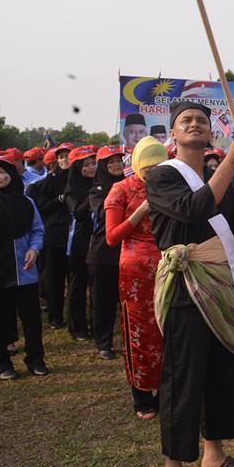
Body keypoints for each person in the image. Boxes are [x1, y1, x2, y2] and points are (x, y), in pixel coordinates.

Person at [146, 101, 234, 467]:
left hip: (220, 284)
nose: (195, 124)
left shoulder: (216, 176)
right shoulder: (162, 176)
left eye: (201, 120)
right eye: (186, 120)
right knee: (183, 377)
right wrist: (231, 162)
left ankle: (215, 454)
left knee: (220, 373)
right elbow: (193, 210)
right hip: (186, 287)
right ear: (173, 133)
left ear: (211, 133)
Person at [105, 136, 166, 419]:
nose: (153, 173)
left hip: (167, 268)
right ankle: (142, 397)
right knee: (139, 332)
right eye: (148, 168)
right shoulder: (121, 190)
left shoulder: (169, 186)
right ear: (138, 164)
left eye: (159, 167)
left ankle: (166, 392)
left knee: (167, 331)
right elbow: (111, 237)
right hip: (136, 273)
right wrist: (140, 212)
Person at [0, 152, 48, 380]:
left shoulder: (26, 202)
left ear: (11, 174)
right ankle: (1, 363)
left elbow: (37, 230)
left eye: (1, 172)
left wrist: (34, 249)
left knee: (31, 317)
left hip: (23, 269)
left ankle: (36, 359)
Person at [86, 146, 125, 360]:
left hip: (127, 252)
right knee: (103, 302)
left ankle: (130, 339)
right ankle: (104, 342)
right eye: (110, 162)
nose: (116, 165)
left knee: (127, 301)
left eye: (118, 160)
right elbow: (102, 214)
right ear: (102, 166)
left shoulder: (131, 183)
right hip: (102, 254)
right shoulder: (96, 191)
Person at [30, 143, 73, 328]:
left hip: (78, 237)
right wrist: (60, 199)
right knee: (55, 278)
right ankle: (55, 316)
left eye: (68, 155)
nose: (65, 160)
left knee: (76, 281)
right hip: (55, 236)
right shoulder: (47, 182)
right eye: (61, 156)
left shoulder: (83, 178)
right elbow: (41, 207)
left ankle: (76, 319)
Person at [64, 145, 98, 341]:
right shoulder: (70, 191)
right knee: (78, 286)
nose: (91, 168)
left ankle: (96, 325)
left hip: (98, 242)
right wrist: (92, 194)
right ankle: (77, 327)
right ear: (77, 168)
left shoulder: (101, 184)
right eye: (86, 165)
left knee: (96, 287)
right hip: (78, 244)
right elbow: (78, 212)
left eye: (93, 163)